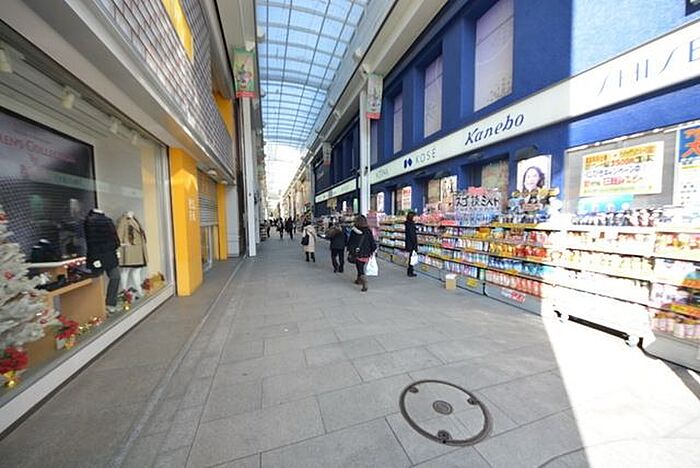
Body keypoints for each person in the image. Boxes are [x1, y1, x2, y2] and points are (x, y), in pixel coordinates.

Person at [346, 214, 377, 292]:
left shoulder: (354, 231)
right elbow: (372, 242)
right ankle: (358, 279)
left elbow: (350, 242)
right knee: (361, 266)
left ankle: (364, 282)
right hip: (366, 253)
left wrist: (349, 250)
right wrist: (372, 250)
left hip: (357, 252)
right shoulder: (368, 231)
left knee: (360, 268)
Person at [405, 211, 418, 277]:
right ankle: (410, 272)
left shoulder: (408, 223)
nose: (416, 217)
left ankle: (410, 271)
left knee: (410, 257)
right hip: (411, 244)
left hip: (408, 243)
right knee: (411, 258)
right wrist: (415, 245)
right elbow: (412, 235)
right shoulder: (411, 224)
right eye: (415, 216)